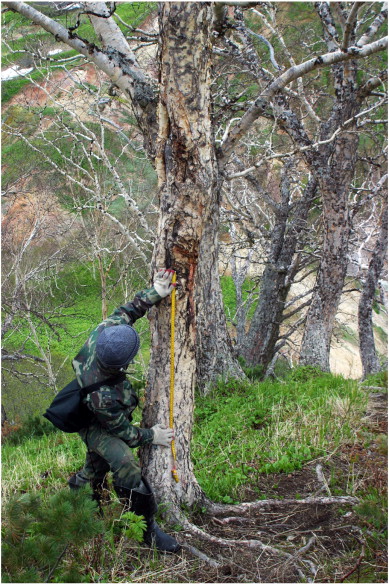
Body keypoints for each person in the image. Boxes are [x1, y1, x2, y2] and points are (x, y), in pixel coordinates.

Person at [68, 268, 180, 553]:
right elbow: (124, 433)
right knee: (124, 462)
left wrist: (156, 292)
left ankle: (79, 494)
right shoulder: (101, 394)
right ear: (119, 366)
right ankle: (146, 528)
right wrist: (151, 436)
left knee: (95, 465)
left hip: (98, 412)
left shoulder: (105, 333)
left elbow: (128, 311)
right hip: (94, 422)